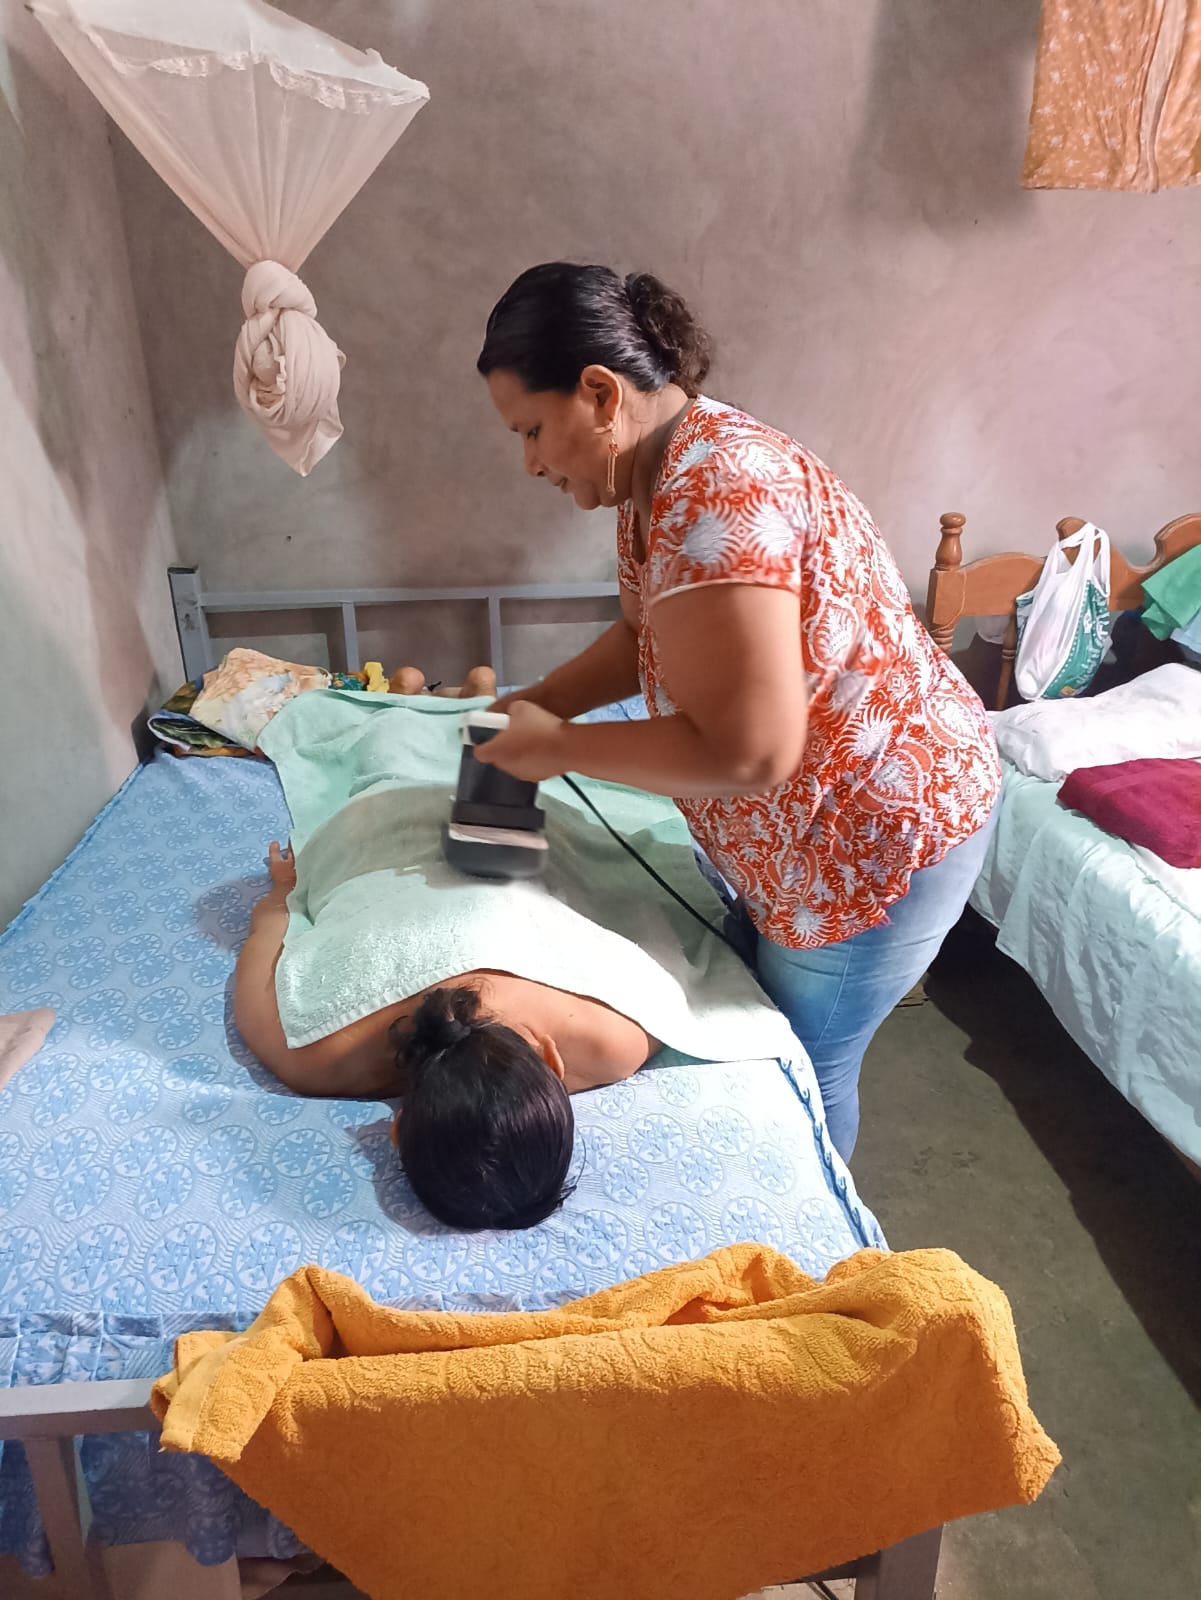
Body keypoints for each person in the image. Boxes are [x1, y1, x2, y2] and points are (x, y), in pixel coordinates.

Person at [474, 261, 1001, 1162]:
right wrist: (542, 701)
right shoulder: (654, 476)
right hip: (805, 832)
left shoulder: (720, 489)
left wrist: (557, 747)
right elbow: (644, 633)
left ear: (599, 394)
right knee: (759, 1026)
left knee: (799, 1073)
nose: (530, 463)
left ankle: (812, 1245)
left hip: (873, 836)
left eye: (531, 431)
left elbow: (750, 753)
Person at [234, 841, 659, 1231]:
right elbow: (267, 935)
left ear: (551, 1059)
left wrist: (285, 888)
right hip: (388, 849)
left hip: (434, 849)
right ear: (399, 1129)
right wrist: (285, 887)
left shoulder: (615, 1041)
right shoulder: (311, 1058)